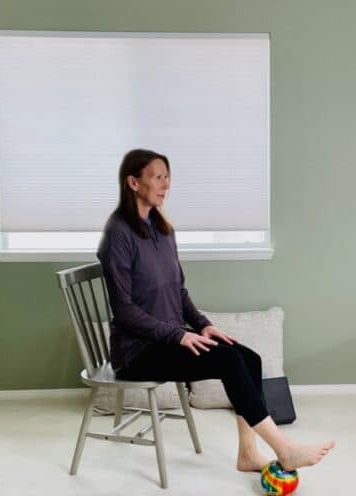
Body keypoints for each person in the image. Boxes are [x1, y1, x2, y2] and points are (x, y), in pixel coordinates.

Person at [97, 148, 335, 473]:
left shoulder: (163, 230)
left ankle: (248, 453)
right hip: (137, 353)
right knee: (227, 360)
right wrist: (178, 334)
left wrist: (202, 325)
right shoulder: (117, 235)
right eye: (157, 177)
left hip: (168, 339)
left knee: (249, 358)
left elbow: (178, 291)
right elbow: (124, 310)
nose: (165, 185)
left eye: (168, 177)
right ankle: (284, 448)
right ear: (133, 182)